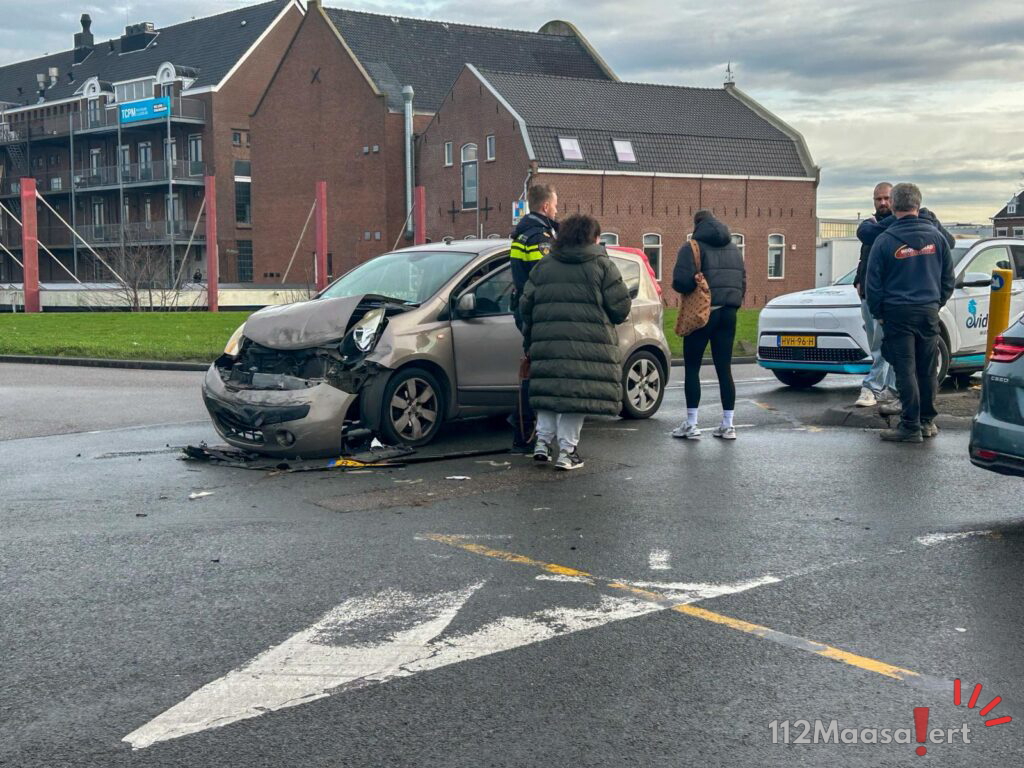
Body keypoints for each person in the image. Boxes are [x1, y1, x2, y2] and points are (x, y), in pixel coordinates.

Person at [519, 214, 631, 470]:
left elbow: (525, 303)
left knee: (550, 391)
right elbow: (620, 307)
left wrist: (531, 335)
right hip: (587, 345)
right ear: (593, 238)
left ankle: (542, 444)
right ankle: (567, 452)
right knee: (575, 396)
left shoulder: (544, 265)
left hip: (547, 341)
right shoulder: (602, 265)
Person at [865, 183, 954, 443]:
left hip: (897, 312)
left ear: (893, 205)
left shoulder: (884, 240)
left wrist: (879, 313)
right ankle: (927, 421)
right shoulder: (937, 238)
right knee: (927, 369)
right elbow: (948, 277)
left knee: (905, 370)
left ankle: (910, 425)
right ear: (918, 204)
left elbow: (873, 285)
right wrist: (936, 303)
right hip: (928, 311)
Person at [671, 210, 746, 440]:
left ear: (697, 225)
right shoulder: (734, 249)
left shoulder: (692, 247)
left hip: (702, 314)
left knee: (692, 368)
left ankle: (692, 424)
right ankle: (728, 424)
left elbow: (681, 283)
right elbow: (742, 281)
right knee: (724, 369)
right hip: (729, 313)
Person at [508, 184, 559, 453]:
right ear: (545, 207)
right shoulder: (540, 237)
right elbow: (544, 277)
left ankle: (524, 430)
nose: (557, 209)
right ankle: (528, 433)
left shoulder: (521, 234)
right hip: (538, 311)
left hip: (526, 308)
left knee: (530, 370)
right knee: (539, 374)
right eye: (555, 204)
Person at [852, 183, 898, 408]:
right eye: (878, 199)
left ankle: (872, 387)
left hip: (887, 297)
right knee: (876, 345)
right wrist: (858, 281)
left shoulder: (898, 227)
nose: (882, 203)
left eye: (887, 198)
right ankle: (891, 389)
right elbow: (865, 244)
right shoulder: (872, 226)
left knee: (882, 344)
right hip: (867, 296)